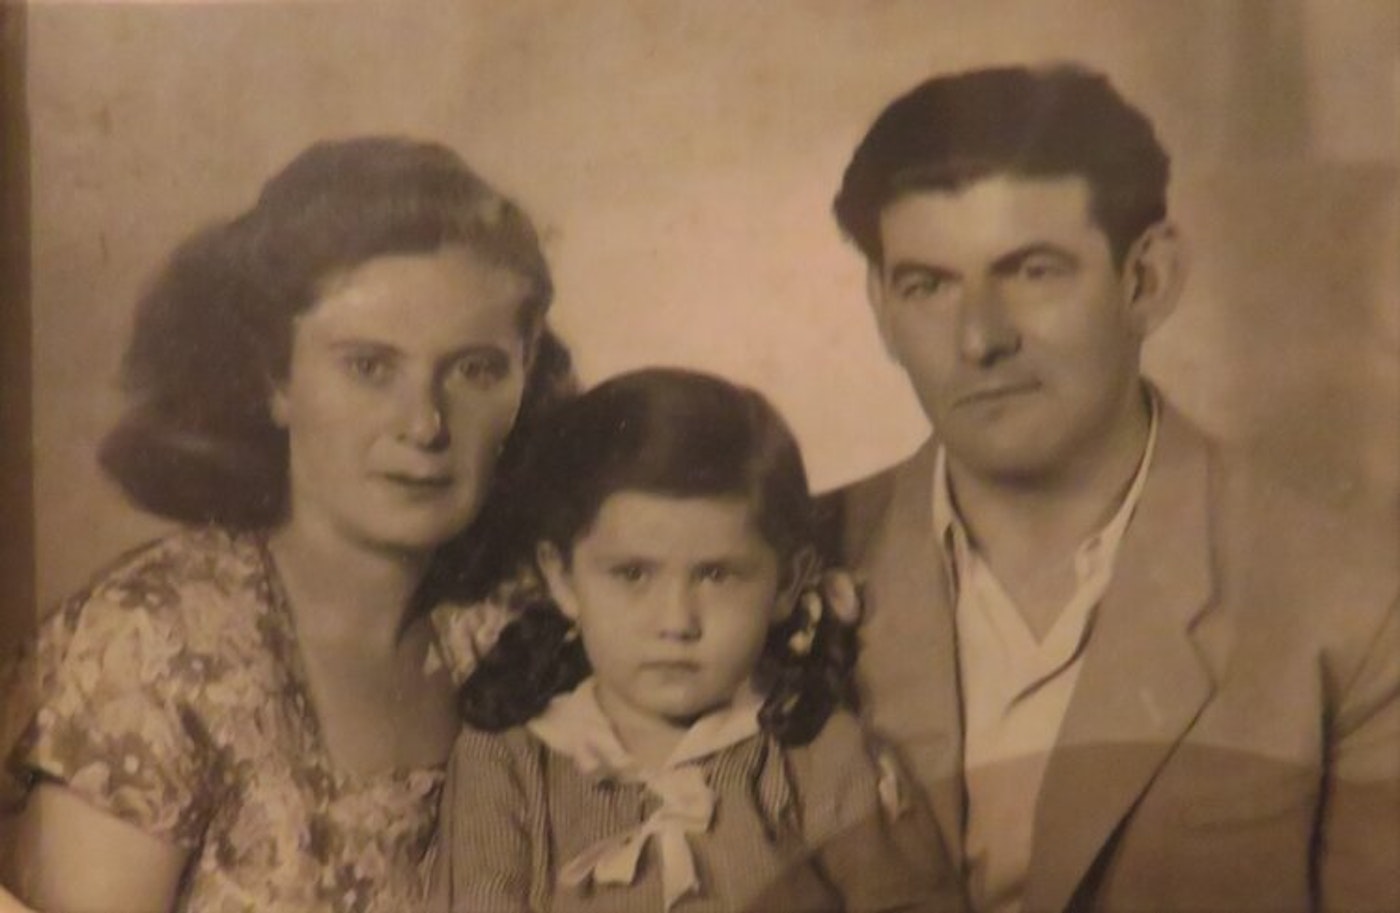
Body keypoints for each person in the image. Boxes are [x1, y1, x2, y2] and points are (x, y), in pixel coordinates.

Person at [821, 64, 1399, 913]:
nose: (979, 338)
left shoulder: (1352, 594)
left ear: (1148, 280)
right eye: (927, 286)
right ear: (880, 307)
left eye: (1033, 271)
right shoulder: (777, 566)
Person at [1, 136, 574, 913]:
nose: (425, 424)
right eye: (370, 366)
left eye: (475, 369)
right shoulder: (159, 643)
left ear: (524, 375)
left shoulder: (519, 625)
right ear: (276, 379)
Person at [429, 368, 963, 913]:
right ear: (563, 579)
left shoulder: (820, 754)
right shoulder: (508, 764)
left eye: (716, 575)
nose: (677, 622)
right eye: (632, 574)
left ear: (785, 584)